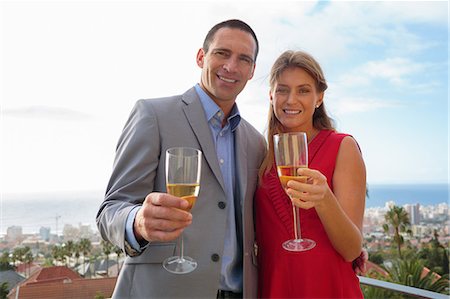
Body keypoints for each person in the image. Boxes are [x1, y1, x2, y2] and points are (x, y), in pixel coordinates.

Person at [96, 19, 266, 299]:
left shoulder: (255, 141)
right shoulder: (153, 115)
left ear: (251, 71)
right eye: (222, 53)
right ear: (201, 57)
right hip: (162, 290)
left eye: (243, 59)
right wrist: (137, 221)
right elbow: (110, 212)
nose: (231, 66)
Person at [255, 50, 366, 298]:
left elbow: (351, 249)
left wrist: (325, 199)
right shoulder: (261, 154)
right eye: (283, 89)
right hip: (275, 287)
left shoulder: (342, 146)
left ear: (319, 98)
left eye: (303, 90)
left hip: (329, 287)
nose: (291, 100)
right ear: (271, 95)